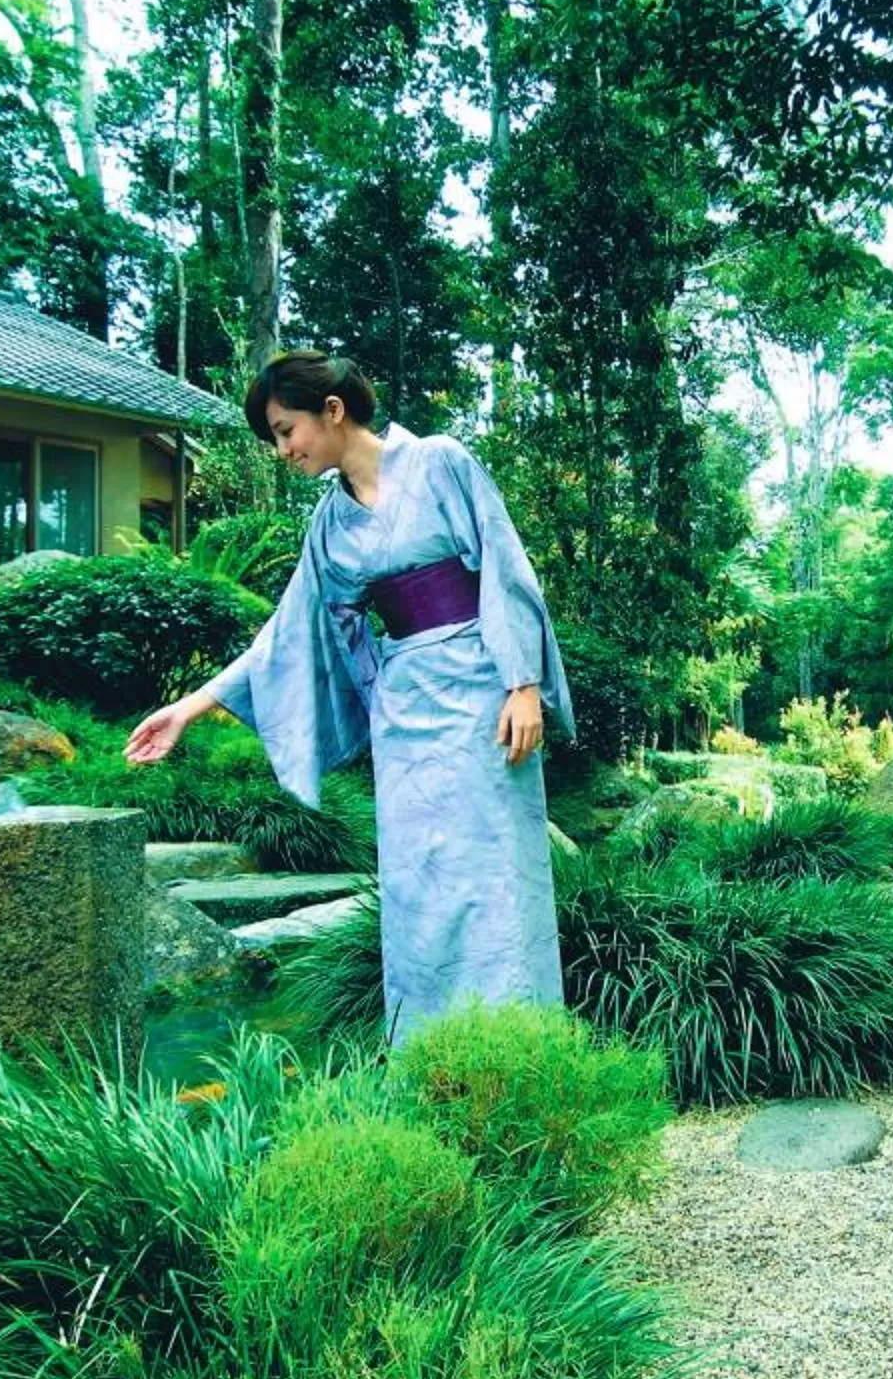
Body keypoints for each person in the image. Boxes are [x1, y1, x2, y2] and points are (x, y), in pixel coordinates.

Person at [127, 350, 572, 1039]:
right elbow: (291, 632)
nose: (282, 450)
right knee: (418, 890)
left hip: (484, 697)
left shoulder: (441, 462)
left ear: (332, 411)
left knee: (494, 880)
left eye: (285, 430)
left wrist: (523, 684)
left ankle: (518, 1045)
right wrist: (191, 706)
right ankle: (430, 1055)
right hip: (407, 715)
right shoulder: (330, 524)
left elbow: (505, 567)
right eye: (275, 437)